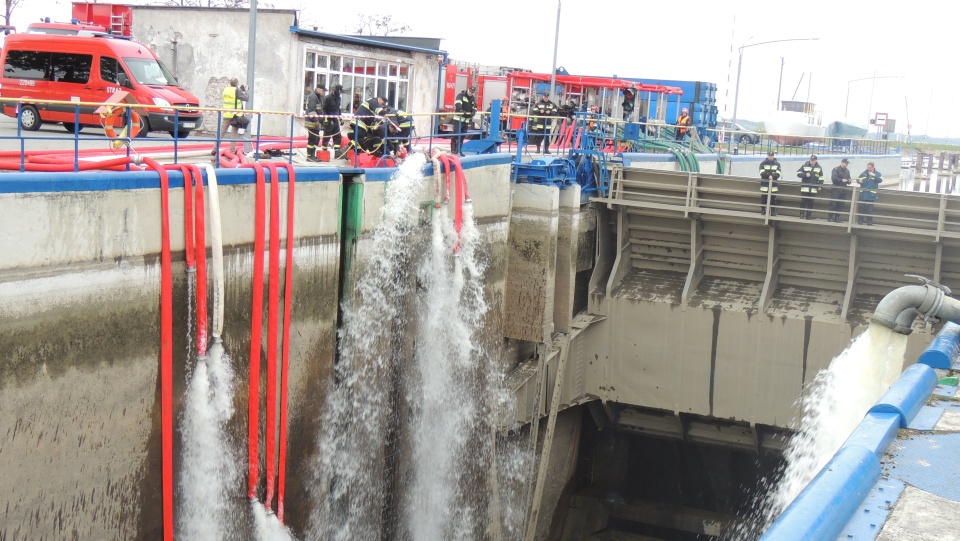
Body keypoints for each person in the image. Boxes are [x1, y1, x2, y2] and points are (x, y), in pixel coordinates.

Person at [219, 77, 248, 154]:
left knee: (222, 132)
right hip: (235, 116)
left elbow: (235, 96)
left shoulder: (226, 89)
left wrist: (241, 90)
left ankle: (214, 149)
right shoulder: (237, 90)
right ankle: (232, 151)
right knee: (234, 134)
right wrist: (246, 91)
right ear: (237, 83)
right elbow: (245, 98)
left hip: (227, 114)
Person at [452, 85, 477, 155]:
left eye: (472, 92)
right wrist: (461, 110)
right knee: (456, 135)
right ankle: (453, 151)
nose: (471, 93)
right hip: (458, 119)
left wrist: (473, 112)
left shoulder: (472, 98)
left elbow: (475, 107)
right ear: (468, 89)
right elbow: (457, 103)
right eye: (470, 91)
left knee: (462, 136)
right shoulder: (461, 95)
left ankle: (459, 151)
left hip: (466, 120)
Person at [796, 155, 824, 219]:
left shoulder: (819, 167)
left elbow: (821, 178)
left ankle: (808, 216)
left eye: (813, 160)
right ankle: (801, 215)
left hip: (813, 189)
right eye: (811, 160)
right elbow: (798, 173)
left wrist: (820, 186)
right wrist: (805, 175)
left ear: (816, 160)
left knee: (811, 203)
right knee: (803, 202)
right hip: (805, 188)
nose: (812, 161)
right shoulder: (805, 165)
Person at [304, 83, 326, 162]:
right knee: (312, 139)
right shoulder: (313, 97)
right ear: (319, 89)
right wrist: (316, 120)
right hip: (312, 122)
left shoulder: (318, 97)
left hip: (316, 122)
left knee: (316, 139)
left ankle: (312, 155)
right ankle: (309, 156)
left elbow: (319, 110)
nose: (324, 92)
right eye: (323, 91)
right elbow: (311, 110)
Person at [322, 84, 344, 158]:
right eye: (339, 91)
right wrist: (326, 120)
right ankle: (324, 152)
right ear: (336, 90)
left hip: (335, 119)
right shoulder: (328, 98)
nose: (340, 93)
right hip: (328, 120)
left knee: (337, 136)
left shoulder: (339, 98)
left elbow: (338, 109)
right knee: (327, 136)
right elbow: (323, 109)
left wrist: (341, 119)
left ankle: (337, 153)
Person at [758, 150, 781, 216]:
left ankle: (773, 212)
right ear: (768, 156)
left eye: (771, 156)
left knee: (773, 199)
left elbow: (778, 173)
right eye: (769, 156)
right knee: (763, 199)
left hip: (773, 186)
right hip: (765, 185)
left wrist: (772, 176)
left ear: (773, 156)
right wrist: (769, 176)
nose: (770, 157)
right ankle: (763, 211)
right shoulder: (763, 163)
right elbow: (762, 173)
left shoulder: (777, 164)